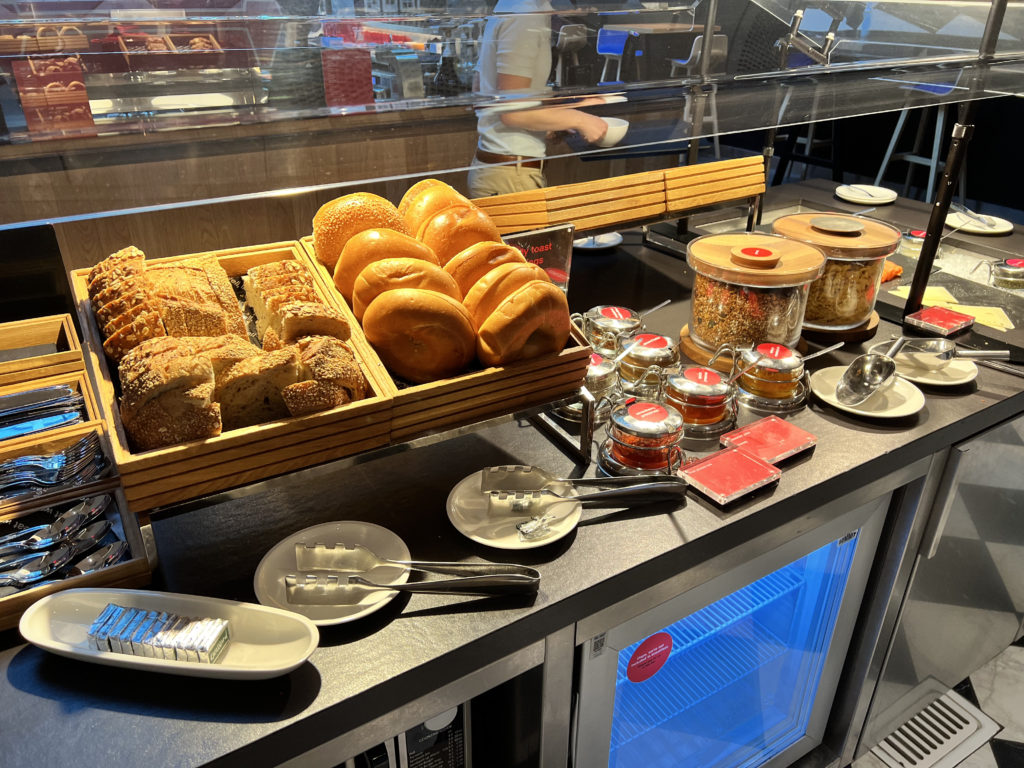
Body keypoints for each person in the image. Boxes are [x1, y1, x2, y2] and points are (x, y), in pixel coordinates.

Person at [467, 0, 610, 198]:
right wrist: (581, 120)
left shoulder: (511, 6)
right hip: (511, 176)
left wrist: (551, 120)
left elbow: (480, 89)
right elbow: (512, 112)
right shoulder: (524, 15)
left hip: (500, 172)